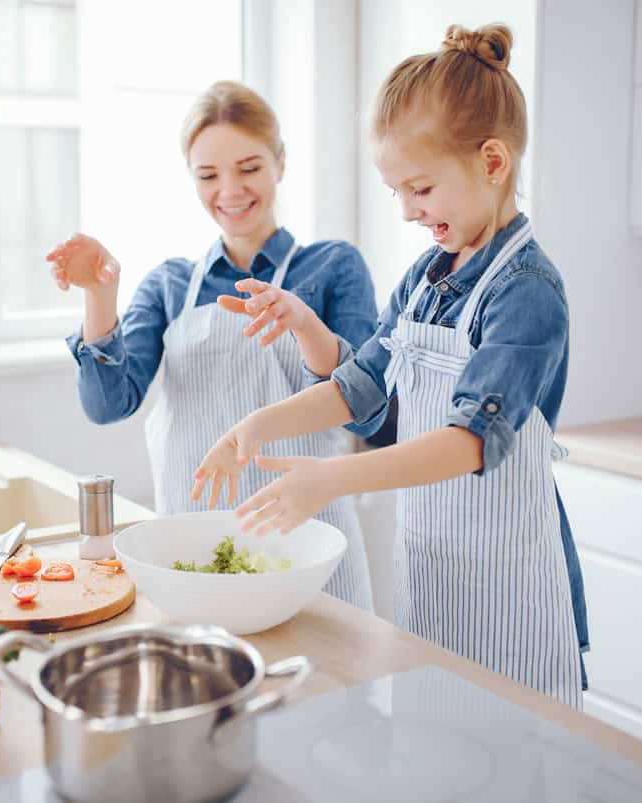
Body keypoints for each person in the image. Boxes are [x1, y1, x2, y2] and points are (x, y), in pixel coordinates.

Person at [194, 26, 589, 706]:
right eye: (396, 192)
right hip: (435, 575)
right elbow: (360, 387)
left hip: (510, 590)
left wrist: (330, 477)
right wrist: (256, 425)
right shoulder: (426, 279)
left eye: (420, 187)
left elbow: (470, 441)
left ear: (492, 162)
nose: (407, 211)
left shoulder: (526, 292)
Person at [47, 81, 377, 610]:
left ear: (280, 161)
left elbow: (364, 412)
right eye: (208, 175)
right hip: (194, 551)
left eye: (249, 168)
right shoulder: (169, 284)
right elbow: (108, 405)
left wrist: (303, 322)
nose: (230, 191)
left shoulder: (334, 267)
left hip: (312, 547)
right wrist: (99, 295)